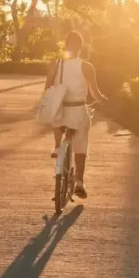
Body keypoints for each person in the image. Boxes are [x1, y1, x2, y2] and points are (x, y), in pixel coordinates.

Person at [46, 31, 106, 198]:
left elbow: (47, 90)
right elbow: (94, 93)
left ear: (65, 44)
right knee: (80, 147)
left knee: (56, 116)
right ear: (81, 46)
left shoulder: (54, 65)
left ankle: (58, 145)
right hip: (78, 110)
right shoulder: (86, 66)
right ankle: (79, 181)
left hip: (59, 111)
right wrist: (102, 100)